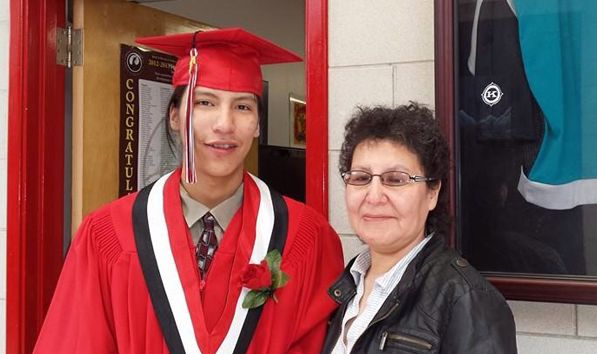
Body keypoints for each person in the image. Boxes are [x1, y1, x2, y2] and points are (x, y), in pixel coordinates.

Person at [33, 28, 343, 354]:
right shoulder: (106, 233)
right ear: (174, 117)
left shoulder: (307, 236)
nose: (224, 124)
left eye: (242, 107)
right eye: (205, 102)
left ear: (257, 125)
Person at [320, 103, 517, 354]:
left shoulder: (467, 299)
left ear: (432, 192)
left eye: (396, 179)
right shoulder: (347, 284)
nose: (374, 196)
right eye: (361, 178)